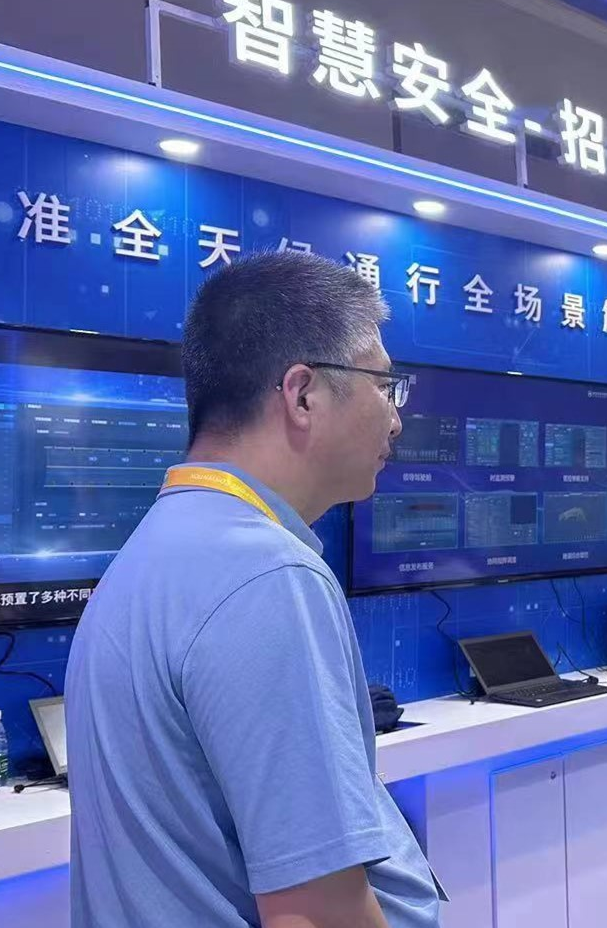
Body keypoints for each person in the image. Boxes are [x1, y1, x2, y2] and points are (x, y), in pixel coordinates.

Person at [67, 252, 441, 927]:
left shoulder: (152, 550)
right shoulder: (268, 577)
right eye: (384, 385)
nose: (395, 418)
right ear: (302, 394)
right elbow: (316, 914)